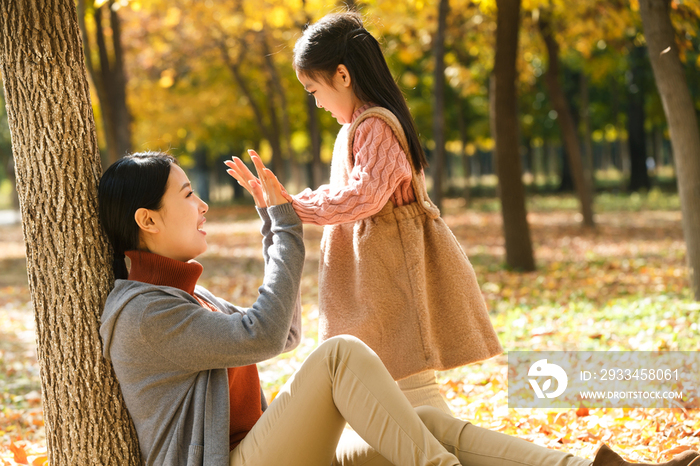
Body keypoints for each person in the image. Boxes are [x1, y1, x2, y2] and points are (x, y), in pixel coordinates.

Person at [98, 152, 696, 466]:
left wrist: (277, 227)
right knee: (340, 358)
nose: (201, 203)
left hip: (270, 455)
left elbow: (280, 335)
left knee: (423, 425)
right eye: (187, 194)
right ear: (147, 220)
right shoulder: (143, 313)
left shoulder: (183, 295)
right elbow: (264, 334)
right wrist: (281, 227)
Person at [236, 10, 503, 414]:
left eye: (314, 90)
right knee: (405, 404)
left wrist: (293, 207)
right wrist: (284, 204)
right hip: (376, 281)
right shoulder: (356, 127)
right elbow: (350, 191)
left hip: (394, 280)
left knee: (417, 400)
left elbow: (364, 196)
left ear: (342, 75)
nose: (317, 102)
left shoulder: (375, 125)